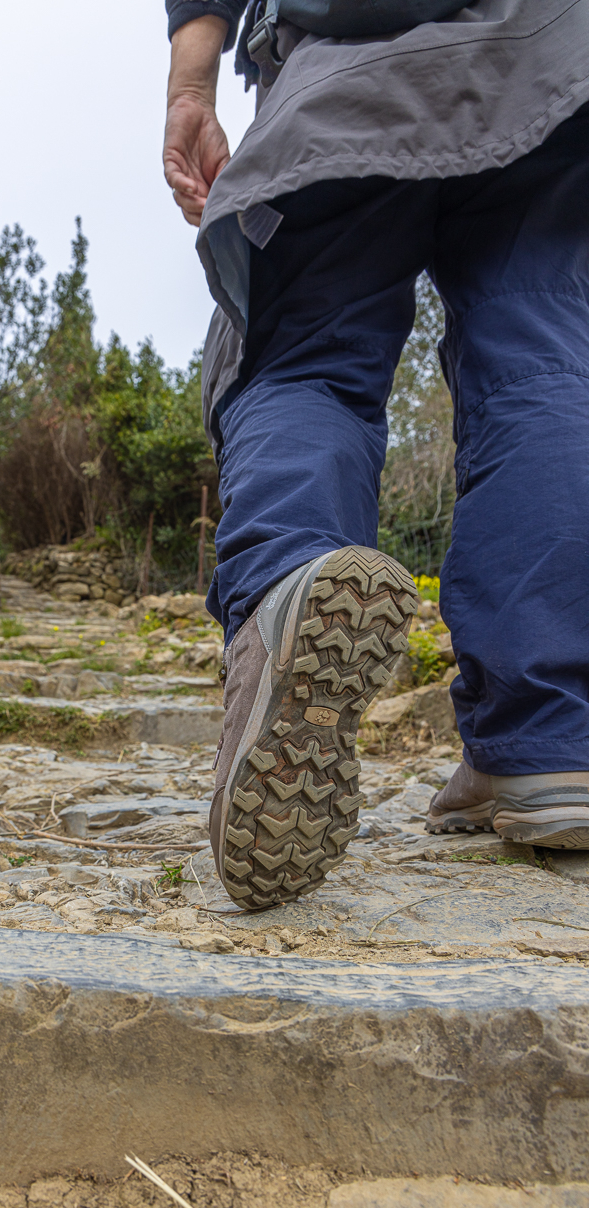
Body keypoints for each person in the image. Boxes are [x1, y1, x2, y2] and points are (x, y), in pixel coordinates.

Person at [162, 0, 589, 911]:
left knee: (309, 356)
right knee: (543, 358)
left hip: (344, 57)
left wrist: (190, 81)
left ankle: (287, 584)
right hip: (550, 54)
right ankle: (551, 740)